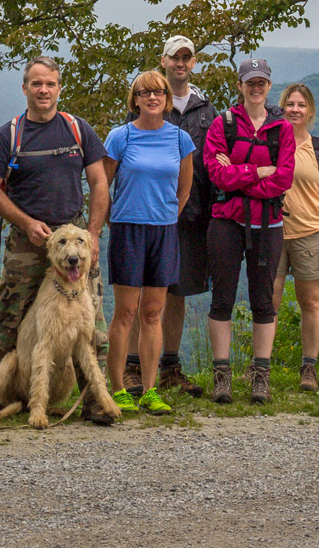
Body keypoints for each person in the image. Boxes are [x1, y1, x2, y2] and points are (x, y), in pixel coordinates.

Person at [0, 57, 111, 408]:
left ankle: (93, 401)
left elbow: (100, 183)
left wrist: (93, 233)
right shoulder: (7, 135)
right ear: (25, 87)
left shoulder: (76, 128)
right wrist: (25, 222)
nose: (43, 90)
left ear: (59, 87)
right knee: (11, 317)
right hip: (28, 241)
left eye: (50, 84)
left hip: (74, 239)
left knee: (91, 323)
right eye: (36, 83)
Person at [119, 34, 215, 397]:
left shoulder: (206, 109)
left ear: (193, 63)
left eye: (187, 57)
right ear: (164, 61)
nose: (181, 63)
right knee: (139, 292)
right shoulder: (148, 103)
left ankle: (170, 368)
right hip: (145, 215)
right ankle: (131, 368)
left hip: (190, 216)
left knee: (176, 292)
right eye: (175, 57)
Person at [204, 57, 296, 405]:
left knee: (263, 300)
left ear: (269, 86)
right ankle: (222, 377)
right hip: (227, 220)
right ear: (240, 85)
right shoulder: (222, 124)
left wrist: (240, 173)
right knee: (222, 297)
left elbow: (283, 178)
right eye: (249, 82)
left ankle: (261, 376)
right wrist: (259, 172)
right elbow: (217, 175)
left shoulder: (282, 128)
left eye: (261, 82)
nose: (255, 88)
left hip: (266, 223)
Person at [103, 70, 195, 415]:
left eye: (158, 92)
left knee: (153, 312)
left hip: (164, 231)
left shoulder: (180, 139)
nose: (152, 98)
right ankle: (117, 388)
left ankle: (150, 390)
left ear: (166, 98)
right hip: (128, 229)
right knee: (126, 312)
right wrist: (115, 220)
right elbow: (103, 187)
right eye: (145, 93)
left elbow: (183, 190)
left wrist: (165, 215)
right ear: (135, 99)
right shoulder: (120, 136)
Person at [270, 82, 319, 392]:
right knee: (267, 301)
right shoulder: (271, 143)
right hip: (271, 231)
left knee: (310, 302)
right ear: (281, 108)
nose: (295, 109)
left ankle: (309, 368)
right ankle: (261, 366)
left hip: (311, 232)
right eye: (290, 104)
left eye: (301, 105)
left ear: (309, 110)